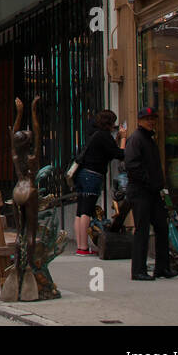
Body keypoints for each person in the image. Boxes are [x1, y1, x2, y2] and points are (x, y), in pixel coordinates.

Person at [124, 106, 176, 281]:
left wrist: (158, 184)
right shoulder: (136, 139)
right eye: (147, 119)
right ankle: (138, 270)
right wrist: (149, 181)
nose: (151, 121)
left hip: (153, 191)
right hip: (140, 192)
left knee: (161, 227)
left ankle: (162, 267)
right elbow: (132, 165)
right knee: (142, 230)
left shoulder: (149, 139)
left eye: (153, 118)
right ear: (139, 121)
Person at [72, 109, 126, 255]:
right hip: (92, 175)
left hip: (82, 174)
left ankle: (80, 246)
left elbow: (108, 150)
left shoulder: (94, 134)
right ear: (110, 123)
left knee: (80, 211)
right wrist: (123, 139)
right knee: (86, 211)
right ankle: (83, 247)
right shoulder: (103, 135)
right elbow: (119, 154)